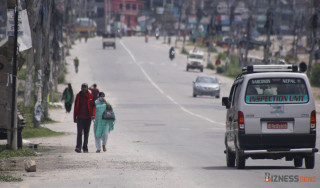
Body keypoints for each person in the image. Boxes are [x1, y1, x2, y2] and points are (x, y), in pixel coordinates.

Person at [74, 83, 96, 153]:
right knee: (79, 133)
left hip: (88, 118)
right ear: (81, 88)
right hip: (80, 117)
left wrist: (93, 115)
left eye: (85, 87)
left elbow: (94, 107)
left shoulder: (91, 96)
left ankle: (85, 148)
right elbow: (75, 107)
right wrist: (74, 117)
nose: (84, 88)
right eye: (82, 87)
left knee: (86, 133)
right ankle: (78, 147)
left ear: (87, 88)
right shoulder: (78, 96)